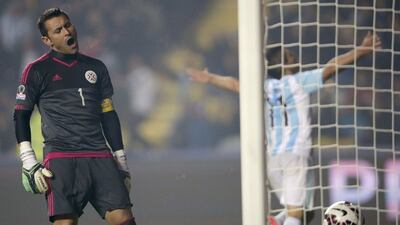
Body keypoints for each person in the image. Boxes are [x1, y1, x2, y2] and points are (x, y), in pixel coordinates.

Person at [186, 32, 381, 225]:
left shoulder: (264, 87)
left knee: (303, 213)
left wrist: (210, 78)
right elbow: (332, 67)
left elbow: (235, 83)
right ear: (282, 65)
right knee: (296, 214)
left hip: (273, 160)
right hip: (295, 155)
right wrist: (361, 50)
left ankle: (275, 222)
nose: (294, 56)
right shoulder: (299, 82)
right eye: (289, 55)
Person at [13, 8, 137, 225]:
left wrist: (121, 161)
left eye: (68, 25)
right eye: (58, 30)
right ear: (47, 40)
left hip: (99, 155)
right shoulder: (36, 70)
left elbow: (108, 115)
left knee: (125, 220)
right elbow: (21, 116)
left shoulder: (96, 68)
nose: (67, 32)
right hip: (62, 159)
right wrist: (28, 161)